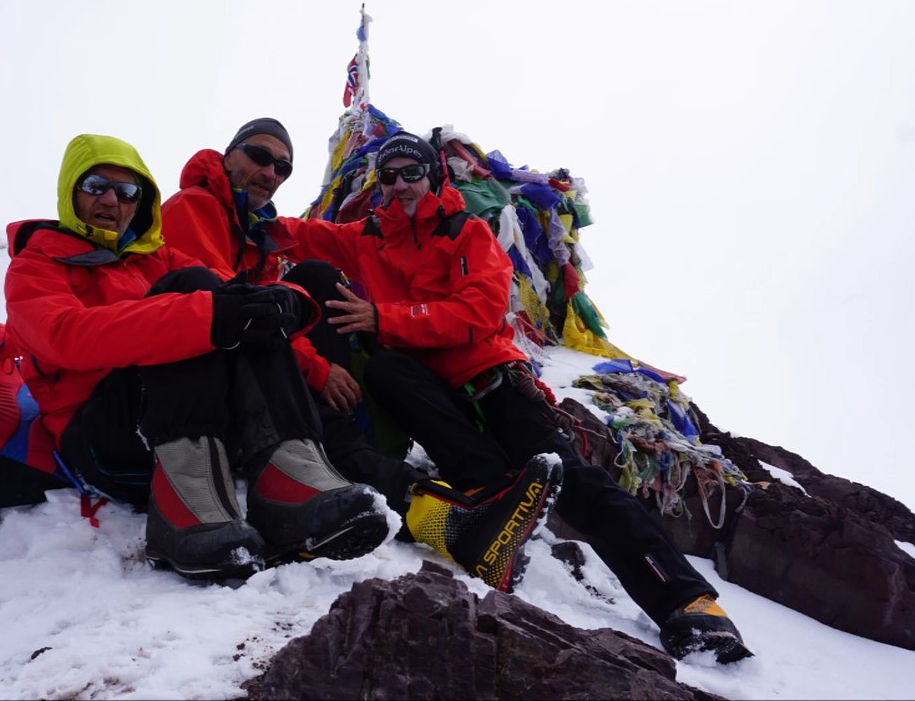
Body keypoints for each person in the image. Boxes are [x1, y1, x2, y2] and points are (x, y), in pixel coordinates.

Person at [274, 130, 753, 663]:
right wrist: (237, 204)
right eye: (389, 176)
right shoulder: (367, 237)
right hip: (429, 393)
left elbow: (480, 310)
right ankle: (491, 513)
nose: (401, 184)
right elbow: (294, 235)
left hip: (490, 377)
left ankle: (689, 604)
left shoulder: (467, 233)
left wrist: (385, 317)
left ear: (434, 174)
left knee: (577, 485)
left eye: (413, 171)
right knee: (386, 369)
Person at [160, 119, 562, 594]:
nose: (271, 172)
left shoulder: (255, 232)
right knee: (329, 361)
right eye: (259, 157)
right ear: (229, 156)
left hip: (463, 362)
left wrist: (358, 334)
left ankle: (456, 512)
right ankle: (444, 514)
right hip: (208, 382)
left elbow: (481, 308)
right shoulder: (194, 208)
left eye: (283, 167)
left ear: (434, 176)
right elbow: (231, 308)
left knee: (316, 286)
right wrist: (316, 365)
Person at [2, 132, 392, 581]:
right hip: (106, 439)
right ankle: (182, 514)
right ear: (71, 192)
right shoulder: (37, 265)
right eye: (96, 187)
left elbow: (228, 290)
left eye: (127, 192)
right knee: (193, 300)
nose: (112, 200)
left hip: (186, 426)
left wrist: (291, 301)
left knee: (240, 306)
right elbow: (65, 337)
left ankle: (289, 482)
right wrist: (204, 315)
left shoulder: (158, 257)